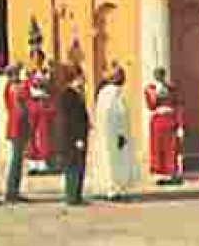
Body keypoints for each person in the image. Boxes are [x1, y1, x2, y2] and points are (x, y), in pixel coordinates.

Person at [91, 66, 141, 202]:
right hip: (114, 136)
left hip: (112, 135)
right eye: (121, 75)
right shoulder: (111, 93)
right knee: (113, 162)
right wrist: (120, 134)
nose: (124, 77)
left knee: (114, 161)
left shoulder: (107, 93)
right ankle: (113, 190)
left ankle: (115, 189)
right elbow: (114, 115)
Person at [144, 68, 184, 186]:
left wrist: (180, 125)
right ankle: (159, 175)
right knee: (157, 148)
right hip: (157, 121)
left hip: (170, 120)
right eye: (157, 75)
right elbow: (151, 106)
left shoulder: (172, 88)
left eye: (161, 75)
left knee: (171, 148)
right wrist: (154, 94)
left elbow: (178, 106)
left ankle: (171, 174)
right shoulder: (150, 89)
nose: (159, 77)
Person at [58, 70, 90, 206]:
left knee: (79, 166)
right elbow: (72, 120)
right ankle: (72, 196)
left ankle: (77, 195)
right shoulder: (68, 95)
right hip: (73, 138)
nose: (84, 82)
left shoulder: (77, 94)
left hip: (78, 136)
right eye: (82, 79)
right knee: (73, 166)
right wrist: (78, 138)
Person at [2, 57, 30, 202]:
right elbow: (20, 107)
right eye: (16, 72)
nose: (18, 75)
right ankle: (11, 191)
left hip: (18, 126)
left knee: (18, 160)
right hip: (17, 126)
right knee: (16, 160)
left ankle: (14, 190)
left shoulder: (14, 86)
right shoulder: (13, 87)